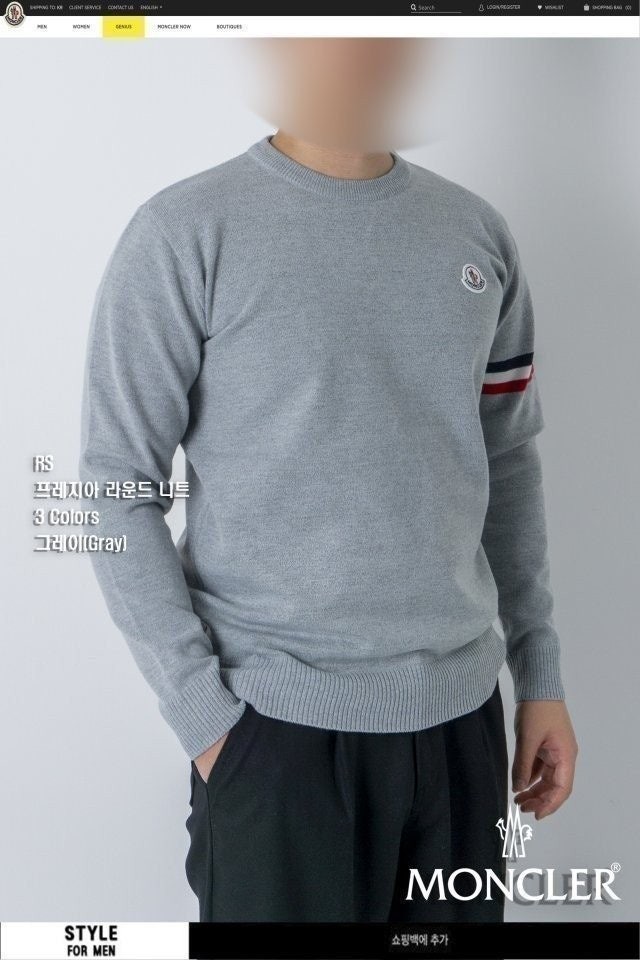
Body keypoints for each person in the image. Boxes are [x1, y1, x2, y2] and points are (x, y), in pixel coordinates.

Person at [78, 39, 578, 923]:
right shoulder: (185, 232)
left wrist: (539, 674)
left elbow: (507, 460)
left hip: (462, 729)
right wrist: (207, 722)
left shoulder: (476, 234)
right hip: (275, 739)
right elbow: (114, 486)